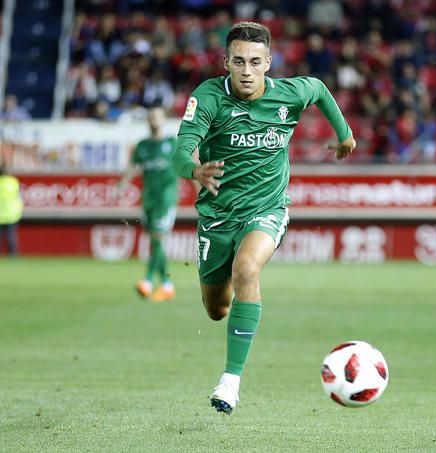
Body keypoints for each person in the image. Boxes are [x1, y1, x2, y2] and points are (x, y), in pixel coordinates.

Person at [172, 22, 355, 414]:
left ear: (268, 63)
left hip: (267, 209)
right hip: (217, 216)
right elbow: (180, 151)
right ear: (226, 62)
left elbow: (319, 89)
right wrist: (195, 170)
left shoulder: (288, 94)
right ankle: (228, 309)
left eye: (255, 61)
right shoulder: (207, 98)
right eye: (238, 61)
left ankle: (230, 381)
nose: (247, 70)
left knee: (247, 270)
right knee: (217, 309)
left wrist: (344, 134)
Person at [119, 106, 178, 302]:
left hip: (166, 198)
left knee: (157, 238)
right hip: (149, 199)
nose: (154, 120)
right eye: (151, 117)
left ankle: (149, 281)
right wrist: (122, 183)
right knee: (155, 241)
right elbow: (134, 167)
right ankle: (165, 284)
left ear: (163, 120)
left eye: (157, 117)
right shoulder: (143, 145)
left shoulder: (172, 143)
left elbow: (187, 165)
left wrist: (200, 193)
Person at [0, 161, 23, 256]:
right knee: (11, 237)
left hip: (1, 214)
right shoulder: (13, 181)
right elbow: (19, 195)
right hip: (12, 213)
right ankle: (13, 256)